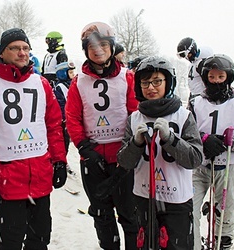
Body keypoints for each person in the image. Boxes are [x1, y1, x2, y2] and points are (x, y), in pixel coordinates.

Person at [0, 28, 68, 250]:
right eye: (15, 48)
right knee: (11, 240)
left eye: (26, 48)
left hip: (40, 177)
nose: (22, 53)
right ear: (2, 52)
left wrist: (59, 161)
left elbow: (54, 126)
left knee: (40, 238)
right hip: (7, 178)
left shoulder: (41, 84)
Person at [65, 21, 139, 250]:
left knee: (130, 214)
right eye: (92, 46)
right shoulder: (78, 82)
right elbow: (72, 117)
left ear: (111, 47)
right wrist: (84, 148)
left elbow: (135, 112)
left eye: (103, 44)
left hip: (123, 158)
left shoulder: (127, 77)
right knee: (101, 214)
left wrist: (130, 148)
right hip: (93, 158)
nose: (98, 50)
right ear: (86, 50)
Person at [117, 56, 203, 249]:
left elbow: (195, 159)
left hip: (176, 200)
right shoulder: (134, 118)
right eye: (145, 83)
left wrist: (170, 139)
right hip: (144, 197)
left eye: (157, 81)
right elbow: (124, 161)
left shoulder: (183, 116)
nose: (151, 88)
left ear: (168, 82)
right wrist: (136, 143)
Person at [187, 54, 234, 250]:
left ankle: (223, 242)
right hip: (200, 167)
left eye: (221, 77)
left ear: (228, 77)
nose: (216, 81)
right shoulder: (195, 102)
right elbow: (187, 131)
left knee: (224, 209)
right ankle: (192, 243)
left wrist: (231, 142)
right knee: (189, 208)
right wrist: (203, 139)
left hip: (226, 167)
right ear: (205, 78)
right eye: (212, 77)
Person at [54, 61, 76, 175]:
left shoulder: (73, 84)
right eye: (70, 73)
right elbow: (60, 104)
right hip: (64, 121)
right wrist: (64, 118)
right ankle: (61, 161)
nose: (73, 75)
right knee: (63, 143)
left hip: (72, 118)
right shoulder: (60, 87)